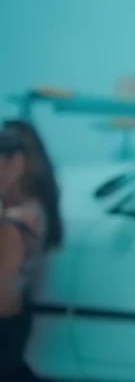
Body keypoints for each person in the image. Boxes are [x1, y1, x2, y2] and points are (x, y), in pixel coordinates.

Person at [0, 120, 64, 382]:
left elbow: (4, 297)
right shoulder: (37, 209)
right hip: (18, 326)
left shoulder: (14, 223)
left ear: (15, 163)